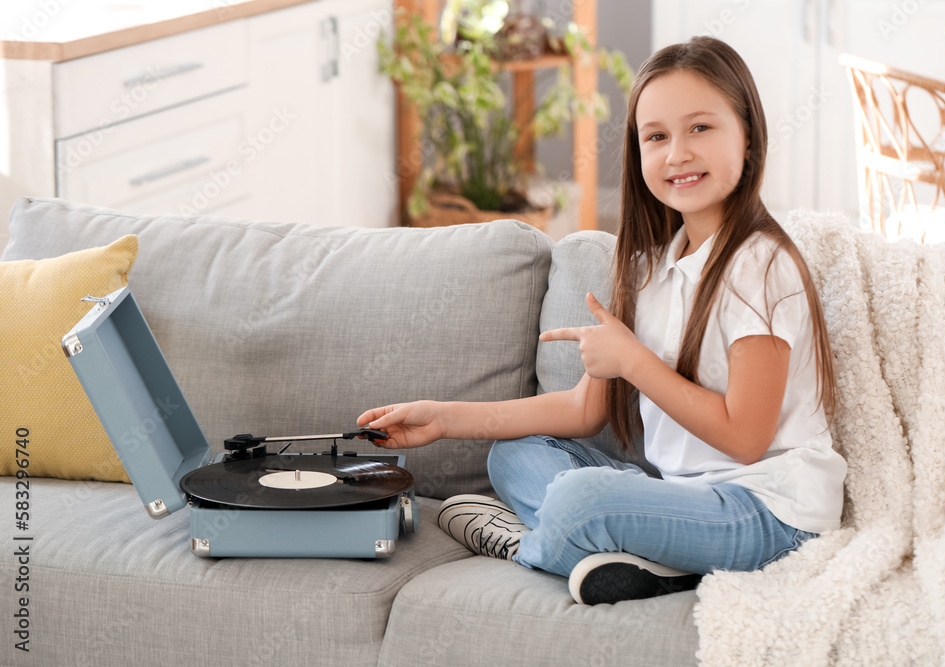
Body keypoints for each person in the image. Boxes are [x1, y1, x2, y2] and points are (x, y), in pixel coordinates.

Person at [357, 36, 846, 606]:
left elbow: (745, 437)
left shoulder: (759, 265)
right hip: (685, 499)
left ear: (748, 136)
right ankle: (636, 551)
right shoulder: (649, 269)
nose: (677, 153)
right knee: (513, 453)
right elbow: (583, 410)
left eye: (701, 128)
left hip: (769, 514)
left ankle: (533, 543)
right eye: (656, 136)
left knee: (582, 500)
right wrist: (443, 418)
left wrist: (633, 361)